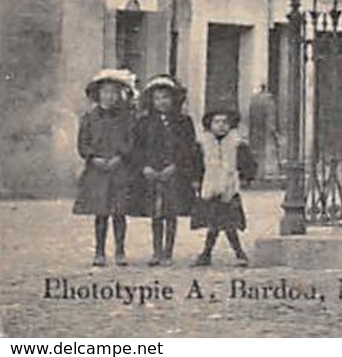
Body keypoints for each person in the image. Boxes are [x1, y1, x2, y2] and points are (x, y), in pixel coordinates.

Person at [132, 74, 200, 267]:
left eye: (166, 97)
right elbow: (137, 148)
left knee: (171, 211)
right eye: (157, 98)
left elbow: (189, 148)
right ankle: (156, 251)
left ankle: (168, 251)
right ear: (151, 101)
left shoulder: (183, 122)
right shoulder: (143, 123)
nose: (162, 102)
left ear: (174, 99)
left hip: (174, 173)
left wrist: (176, 166)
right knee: (156, 212)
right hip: (151, 172)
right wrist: (144, 167)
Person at [73, 69, 138, 267]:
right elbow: (82, 143)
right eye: (105, 92)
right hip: (97, 171)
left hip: (120, 169)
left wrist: (120, 156)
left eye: (113, 93)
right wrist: (94, 158)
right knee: (101, 213)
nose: (109, 97)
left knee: (119, 212)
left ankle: (120, 251)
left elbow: (132, 141)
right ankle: (99, 252)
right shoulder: (89, 118)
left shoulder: (126, 118)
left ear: (119, 95)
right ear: (98, 94)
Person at [191, 108, 257, 267]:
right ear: (210, 125)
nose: (221, 126)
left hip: (229, 188)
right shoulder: (203, 145)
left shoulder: (237, 144)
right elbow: (196, 165)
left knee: (225, 223)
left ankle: (210, 254)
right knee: (219, 223)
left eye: (225, 122)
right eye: (217, 122)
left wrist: (245, 177)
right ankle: (234, 253)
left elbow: (248, 164)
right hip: (210, 187)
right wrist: (196, 180)